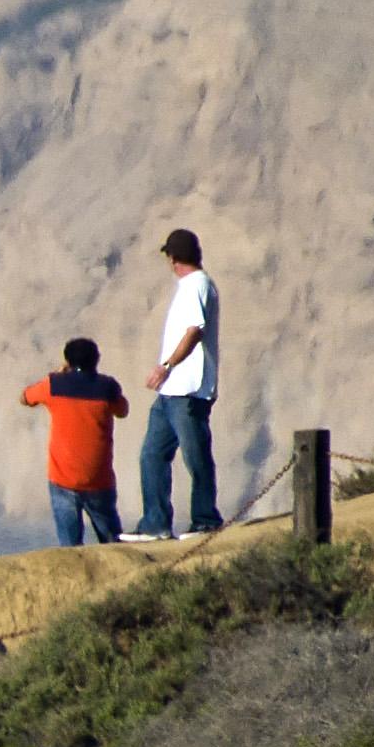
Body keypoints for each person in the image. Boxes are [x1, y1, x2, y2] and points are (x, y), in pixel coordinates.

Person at [132, 228, 224, 539]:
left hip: (189, 389)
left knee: (195, 454)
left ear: (172, 259)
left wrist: (166, 366)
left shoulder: (198, 284)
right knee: (152, 454)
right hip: (170, 393)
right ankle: (155, 523)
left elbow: (195, 329)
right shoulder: (189, 286)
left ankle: (206, 519)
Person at [20, 339, 129, 546]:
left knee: (70, 548)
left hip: (63, 479)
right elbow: (122, 411)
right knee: (113, 543)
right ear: (96, 360)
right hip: (99, 479)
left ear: (67, 361)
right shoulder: (108, 387)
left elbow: (25, 398)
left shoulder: (53, 384)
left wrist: (60, 373)